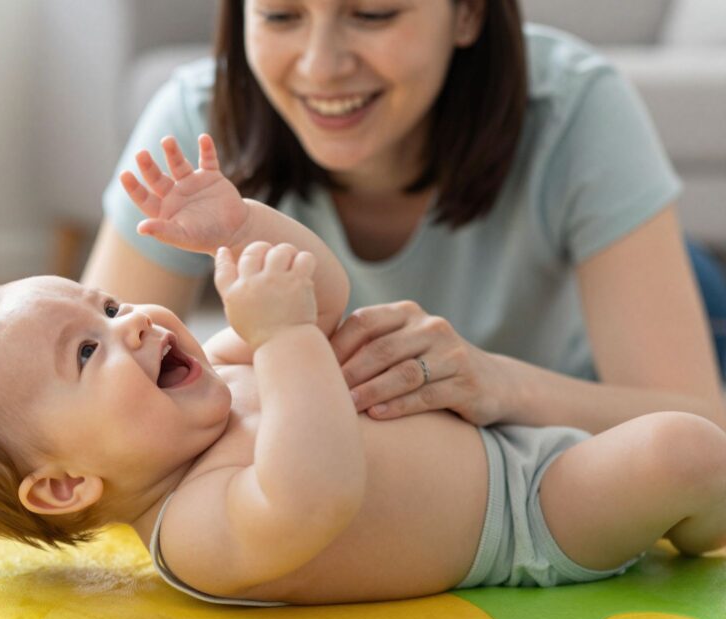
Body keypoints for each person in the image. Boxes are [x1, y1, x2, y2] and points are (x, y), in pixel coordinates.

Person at [0, 136, 726, 607]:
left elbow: (321, 300)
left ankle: (695, 528)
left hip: (508, 437)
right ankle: (698, 518)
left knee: (678, 450)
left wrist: (238, 229)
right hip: (529, 515)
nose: (136, 320)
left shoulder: (218, 368)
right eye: (88, 350)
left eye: (108, 307)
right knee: (680, 449)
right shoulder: (194, 532)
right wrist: (285, 339)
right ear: (67, 485)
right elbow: (317, 491)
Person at [84, 0, 726, 435]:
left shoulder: (576, 108)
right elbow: (80, 406)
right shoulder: (194, 128)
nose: (321, 66)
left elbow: (702, 435)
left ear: (468, 12)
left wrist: (497, 382)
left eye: (373, 13)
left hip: (612, 358)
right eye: (281, 14)